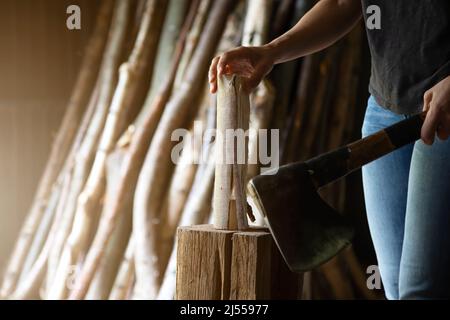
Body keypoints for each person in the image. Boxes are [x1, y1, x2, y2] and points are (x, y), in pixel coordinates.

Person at [208, 0, 450, 300]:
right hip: (385, 107)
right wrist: (271, 52)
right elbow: (341, 4)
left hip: (445, 109)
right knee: (396, 287)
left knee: (420, 289)